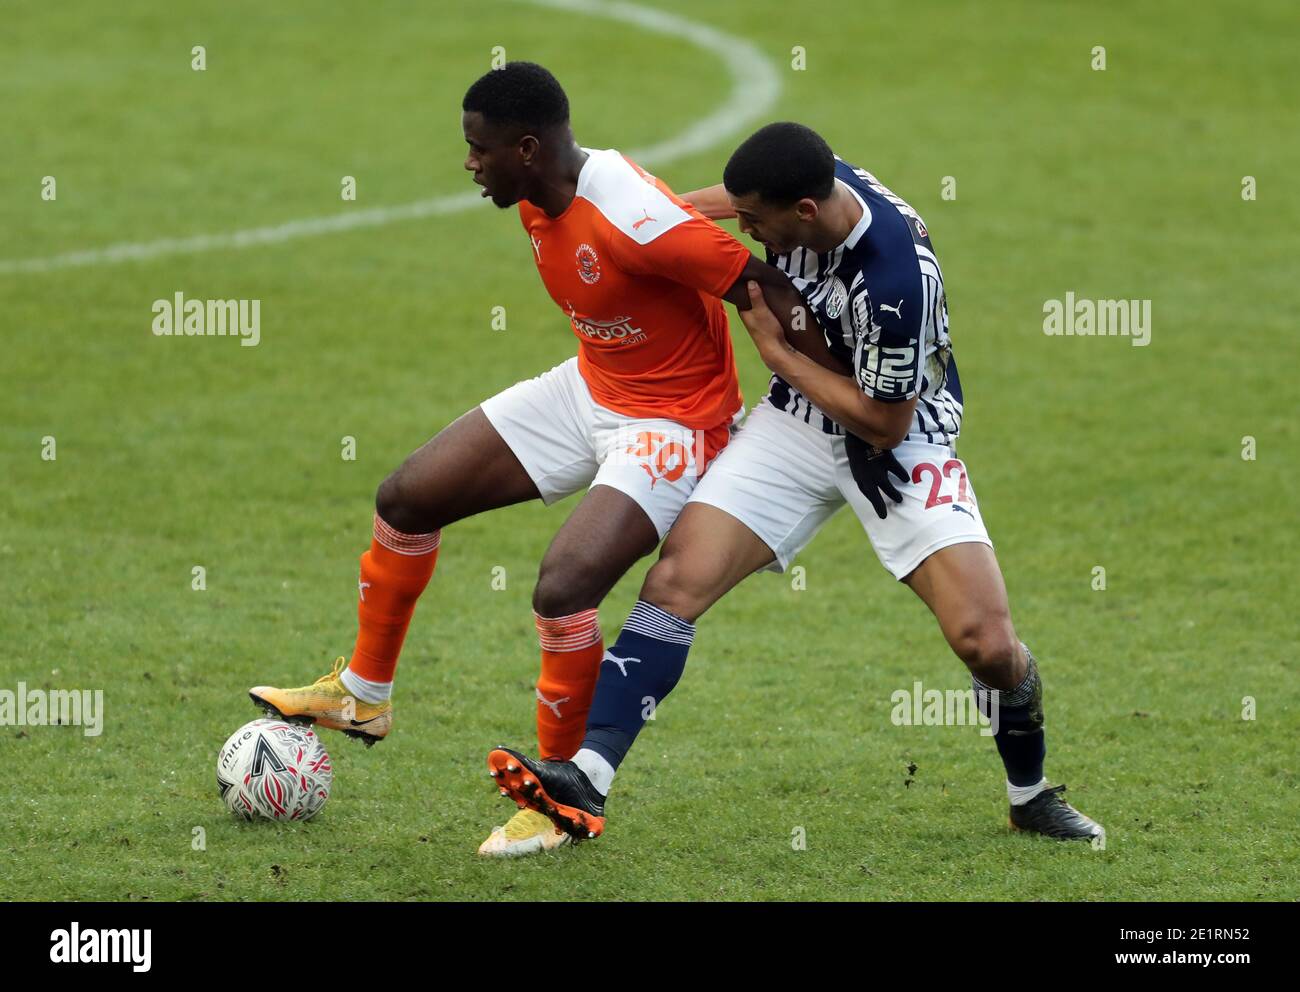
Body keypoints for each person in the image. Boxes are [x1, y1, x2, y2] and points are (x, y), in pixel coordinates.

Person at [249, 73, 843, 858]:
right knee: (406, 498)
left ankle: (561, 796)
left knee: (564, 586)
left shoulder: (630, 216)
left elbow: (762, 282)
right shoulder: (534, 195)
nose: (469, 164)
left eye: (478, 149)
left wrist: (845, 394)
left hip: (671, 426)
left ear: (527, 150)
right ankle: (363, 694)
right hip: (591, 387)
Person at [486, 122, 1104, 846]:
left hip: (899, 441)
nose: (746, 231)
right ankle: (587, 778)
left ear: (804, 213)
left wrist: (779, 356)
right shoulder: (809, 179)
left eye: (756, 222)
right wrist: (650, 222)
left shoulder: (895, 281)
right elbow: (732, 200)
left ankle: (1029, 795)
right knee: (676, 582)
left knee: (987, 644)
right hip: (798, 426)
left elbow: (885, 422)